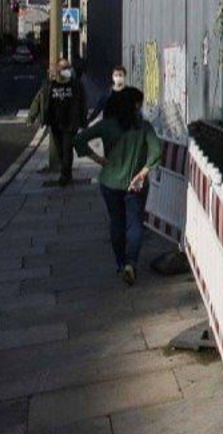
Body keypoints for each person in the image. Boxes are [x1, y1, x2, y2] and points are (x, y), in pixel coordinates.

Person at [73, 87, 161, 285]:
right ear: (134, 105)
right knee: (135, 224)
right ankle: (131, 263)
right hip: (135, 183)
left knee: (116, 222)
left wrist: (97, 158)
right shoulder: (144, 127)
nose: (141, 107)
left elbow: (79, 139)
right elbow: (156, 151)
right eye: (139, 103)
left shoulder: (107, 125)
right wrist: (143, 172)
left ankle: (120, 263)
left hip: (110, 181)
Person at [41, 58, 88, 187]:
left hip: (71, 123)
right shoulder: (51, 84)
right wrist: (41, 118)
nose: (65, 70)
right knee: (60, 149)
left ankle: (64, 174)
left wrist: (83, 121)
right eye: (62, 68)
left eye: (67, 67)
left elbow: (83, 103)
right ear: (57, 69)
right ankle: (66, 171)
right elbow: (43, 101)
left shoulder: (76, 84)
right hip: (55, 123)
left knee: (67, 149)